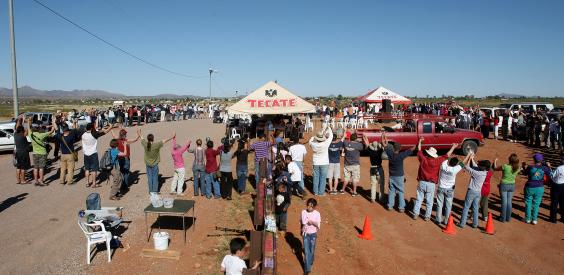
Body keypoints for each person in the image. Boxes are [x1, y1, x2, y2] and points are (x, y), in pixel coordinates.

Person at [412, 139, 457, 221]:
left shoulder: (423, 159)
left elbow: (419, 150)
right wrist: (453, 147)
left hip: (422, 182)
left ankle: (415, 214)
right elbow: (447, 155)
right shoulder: (437, 161)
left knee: (419, 199)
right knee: (429, 201)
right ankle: (427, 216)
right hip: (431, 184)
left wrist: (420, 142)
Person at [382, 133, 415, 212]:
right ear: (400, 149)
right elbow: (412, 149)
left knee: (391, 191)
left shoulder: (390, 153)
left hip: (392, 176)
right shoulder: (401, 155)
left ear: (393, 148)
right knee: (400, 191)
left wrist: (383, 135)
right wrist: (419, 142)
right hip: (399, 176)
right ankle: (401, 208)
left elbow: (384, 143)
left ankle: (390, 206)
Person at [458, 153, 489, 229]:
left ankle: (462, 223)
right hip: (478, 192)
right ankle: (475, 224)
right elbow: (475, 166)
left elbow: (466, 166)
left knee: (466, 207)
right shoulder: (485, 172)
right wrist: (472, 159)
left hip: (471, 191)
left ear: (483, 167)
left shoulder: (476, 173)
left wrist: (468, 156)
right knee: (475, 208)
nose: (479, 165)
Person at [139, 129, 175, 193]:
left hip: (148, 164)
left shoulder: (145, 144)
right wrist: (172, 137)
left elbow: (141, 138)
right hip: (155, 164)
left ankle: (150, 191)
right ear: (153, 139)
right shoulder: (156, 145)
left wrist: (139, 132)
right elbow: (164, 141)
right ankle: (155, 191)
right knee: (155, 177)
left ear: (148, 139)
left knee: (150, 177)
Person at [435, 156, 467, 225]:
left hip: (441, 188)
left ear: (449, 162)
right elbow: (463, 163)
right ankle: (446, 221)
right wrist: (469, 155)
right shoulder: (455, 169)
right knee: (448, 206)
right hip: (449, 190)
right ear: (456, 164)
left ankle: (438, 219)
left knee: (439, 204)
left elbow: (446, 157)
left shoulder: (443, 165)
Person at [82, 122, 114, 188]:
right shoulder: (94, 134)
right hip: (93, 153)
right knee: (94, 169)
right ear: (91, 128)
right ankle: (94, 183)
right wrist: (111, 127)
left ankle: (87, 183)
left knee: (87, 169)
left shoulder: (83, 134)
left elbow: (99, 131)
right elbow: (105, 132)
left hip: (86, 153)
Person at [522, 153, 551, 224]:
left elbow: (524, 173)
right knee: (536, 204)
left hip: (530, 187)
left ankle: (528, 219)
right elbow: (550, 174)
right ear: (541, 160)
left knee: (528, 203)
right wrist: (549, 166)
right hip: (540, 187)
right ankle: (534, 219)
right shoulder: (545, 168)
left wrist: (523, 166)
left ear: (534, 160)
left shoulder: (530, 167)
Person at [28, 116, 56, 186]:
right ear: (38, 129)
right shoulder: (42, 135)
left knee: (35, 168)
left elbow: (28, 128)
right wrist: (53, 121)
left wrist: (29, 121)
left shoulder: (31, 134)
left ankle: (36, 181)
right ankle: (41, 181)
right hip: (42, 153)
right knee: (41, 168)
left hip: (35, 153)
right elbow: (52, 131)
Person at [493, 154, 521, 222]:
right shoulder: (518, 168)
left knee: (504, 202)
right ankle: (508, 218)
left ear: (510, 160)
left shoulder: (505, 166)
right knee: (509, 202)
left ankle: (503, 218)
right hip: (512, 185)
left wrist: (495, 161)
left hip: (504, 185)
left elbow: (495, 168)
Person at [309, 125, 333, 196]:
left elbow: (311, 140)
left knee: (316, 177)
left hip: (316, 162)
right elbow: (331, 136)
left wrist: (314, 136)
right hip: (324, 162)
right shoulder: (325, 143)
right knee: (323, 178)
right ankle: (321, 192)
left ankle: (315, 192)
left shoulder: (313, 144)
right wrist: (329, 128)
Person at [362, 135, 385, 203]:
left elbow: (367, 143)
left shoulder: (370, 151)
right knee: (381, 184)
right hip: (379, 168)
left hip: (372, 168)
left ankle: (372, 198)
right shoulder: (380, 151)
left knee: (373, 184)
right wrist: (382, 136)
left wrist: (365, 137)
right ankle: (381, 198)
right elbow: (383, 143)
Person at [301, 198, 321, 275]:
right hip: (305, 234)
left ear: (314, 207)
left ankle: (311, 259)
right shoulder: (303, 212)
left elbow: (318, 225)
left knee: (311, 250)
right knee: (306, 251)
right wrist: (301, 229)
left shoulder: (317, 214)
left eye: (311, 206)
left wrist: (312, 222)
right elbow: (303, 222)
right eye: (308, 205)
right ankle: (307, 269)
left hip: (313, 235)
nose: (309, 208)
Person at [14, 116, 31, 184]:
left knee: (18, 167)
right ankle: (23, 180)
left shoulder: (15, 134)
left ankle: (18, 180)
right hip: (24, 152)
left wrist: (20, 119)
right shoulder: (23, 135)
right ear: (22, 130)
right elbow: (28, 129)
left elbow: (17, 127)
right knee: (23, 168)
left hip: (18, 152)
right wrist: (28, 122)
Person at [550, 155, 564, 223]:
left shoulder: (559, 168)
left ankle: (553, 219)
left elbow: (553, 176)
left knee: (554, 202)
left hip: (556, 185)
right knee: (563, 203)